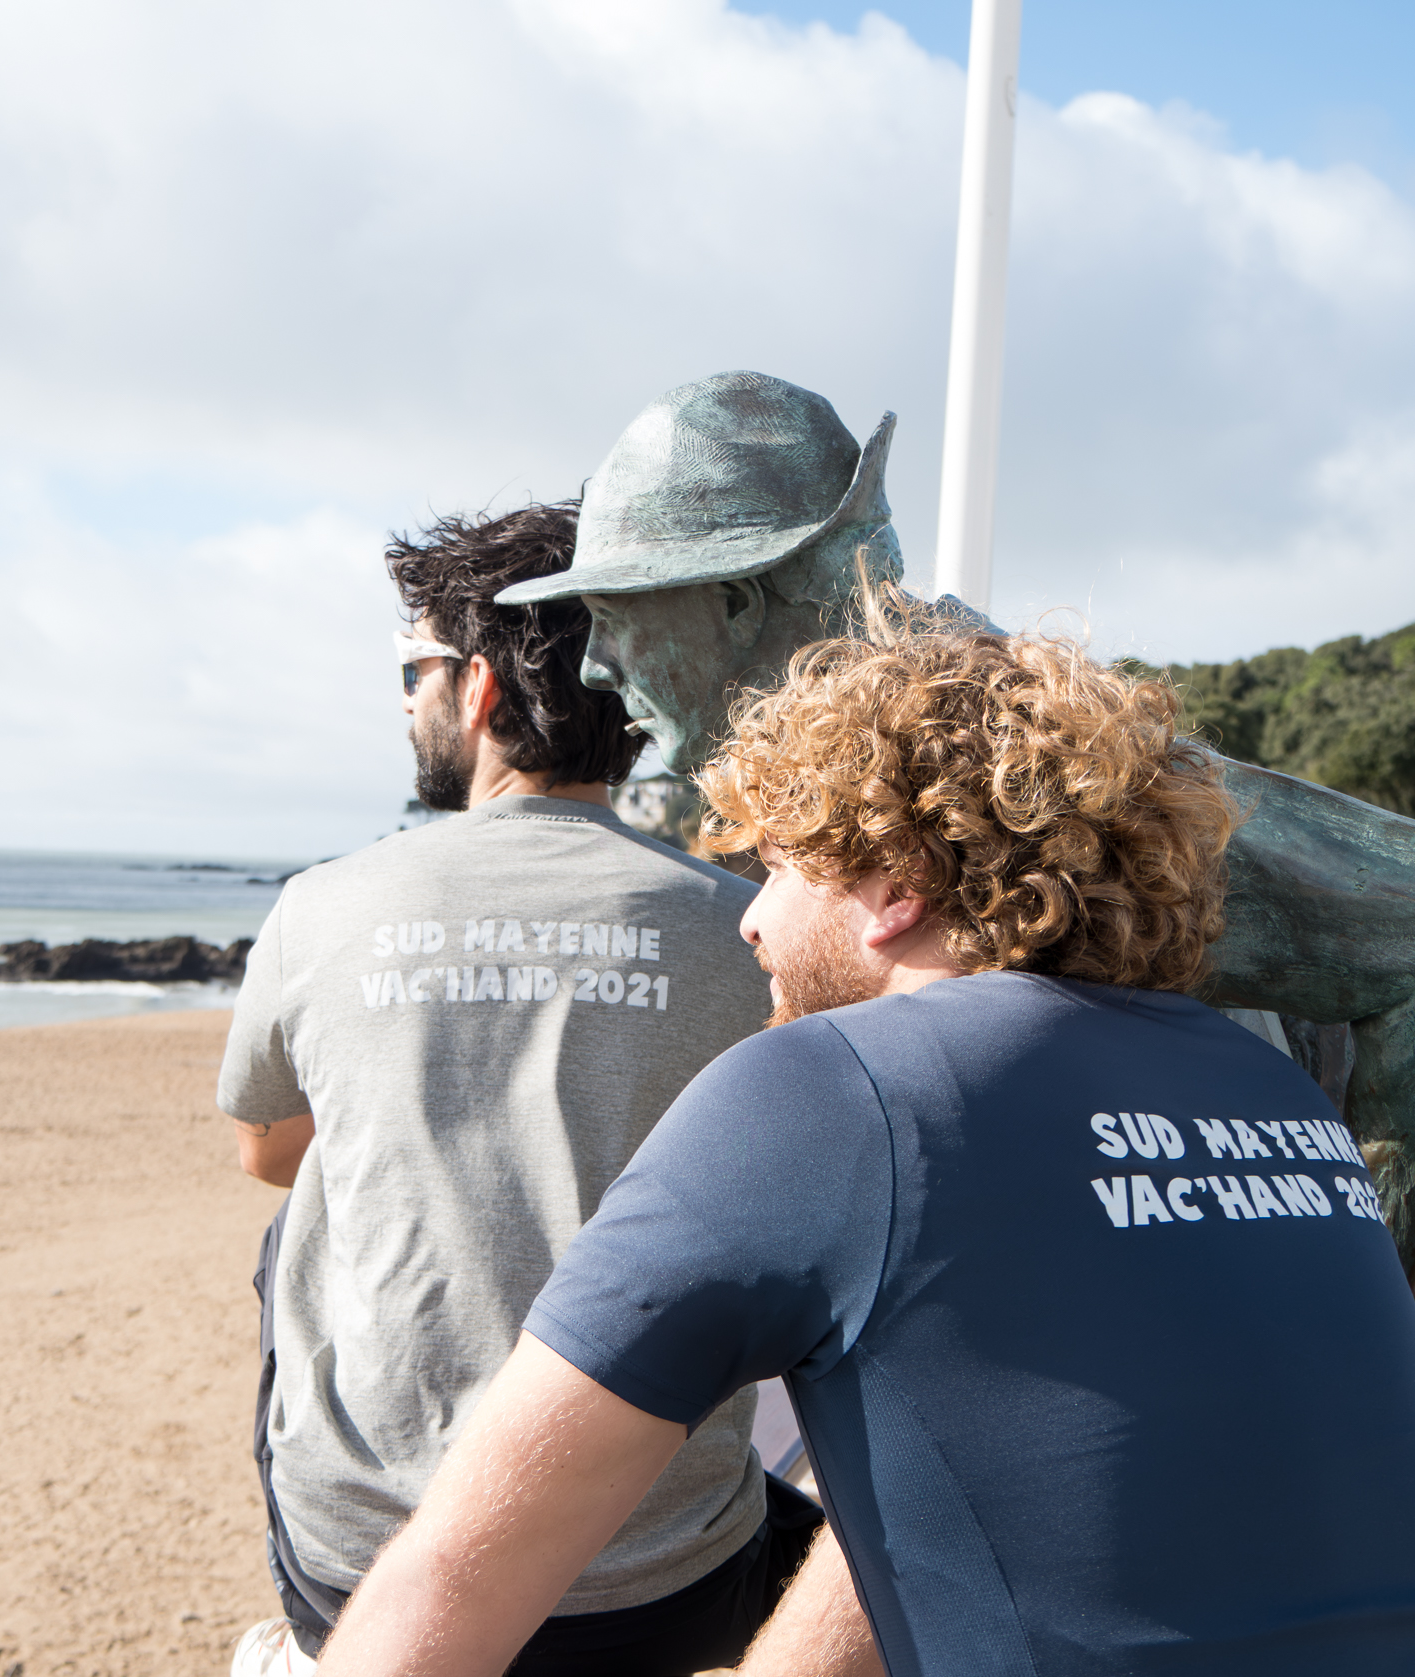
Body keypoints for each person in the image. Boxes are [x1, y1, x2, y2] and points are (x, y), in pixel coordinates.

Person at [230, 602, 1415, 1677]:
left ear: (896, 885)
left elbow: (471, 1554)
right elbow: (976, 1513)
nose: (746, 916)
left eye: (782, 864)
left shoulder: (836, 1090)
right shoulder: (1266, 1096)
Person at [216, 501, 901, 1677]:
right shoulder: (753, 928)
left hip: (365, 1570)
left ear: (473, 692)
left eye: (411, 669)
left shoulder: (326, 907)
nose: (404, 703)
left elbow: (268, 1150)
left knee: (298, 1231)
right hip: (656, 1574)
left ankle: (318, 1653)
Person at [499, 369, 1415, 1279]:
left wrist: (1373, 1281)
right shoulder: (845, 789)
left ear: (738, 604)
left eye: (615, 619)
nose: (595, 668)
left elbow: (1400, 914)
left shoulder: (1017, 765)